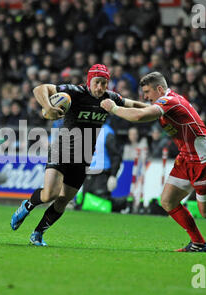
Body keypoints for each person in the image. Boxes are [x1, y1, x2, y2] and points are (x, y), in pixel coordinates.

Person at [100, 71, 206, 253]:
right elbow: (142, 107)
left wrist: (113, 108)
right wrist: (122, 101)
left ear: (159, 89)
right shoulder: (165, 101)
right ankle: (198, 243)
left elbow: (140, 116)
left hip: (205, 162)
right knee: (167, 201)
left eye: (148, 92)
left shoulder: (170, 101)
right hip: (186, 159)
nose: (145, 96)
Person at [10, 64, 131, 246]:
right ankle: (27, 206)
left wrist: (158, 109)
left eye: (104, 83)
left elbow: (134, 105)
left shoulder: (110, 99)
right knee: (49, 194)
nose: (100, 87)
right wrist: (48, 107)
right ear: (89, 81)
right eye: (97, 82)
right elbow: (40, 88)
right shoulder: (74, 92)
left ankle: (37, 234)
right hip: (62, 148)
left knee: (63, 200)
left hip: (83, 156)